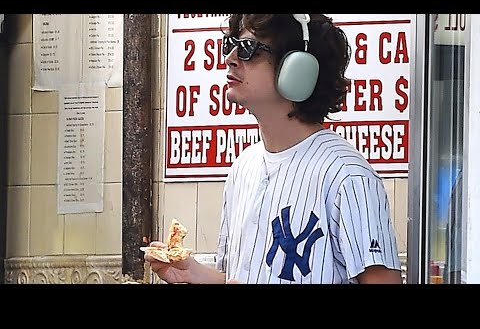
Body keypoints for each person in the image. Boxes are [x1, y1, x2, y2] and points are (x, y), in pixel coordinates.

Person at [145, 14, 403, 284]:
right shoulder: (244, 167)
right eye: (229, 45)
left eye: (248, 49)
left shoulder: (347, 176)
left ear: (297, 69)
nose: (231, 58)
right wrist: (194, 273)